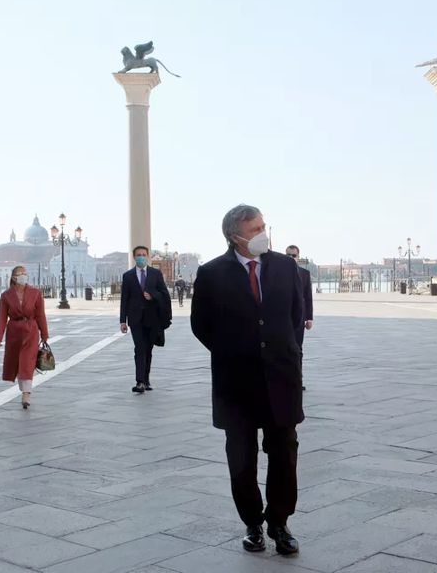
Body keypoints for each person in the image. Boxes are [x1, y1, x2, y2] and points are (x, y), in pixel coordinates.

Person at [191, 204, 304, 556]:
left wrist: (287, 352)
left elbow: (296, 316)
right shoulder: (211, 273)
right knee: (241, 459)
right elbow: (201, 325)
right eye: (254, 230)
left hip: (281, 378)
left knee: (284, 454)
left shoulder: (285, 267)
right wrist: (234, 351)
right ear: (235, 236)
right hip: (236, 383)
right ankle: (252, 523)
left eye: (263, 227)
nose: (262, 235)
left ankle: (280, 522)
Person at [0, 265, 49, 409]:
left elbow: (40, 315)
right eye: (20, 274)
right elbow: (2, 317)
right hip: (14, 332)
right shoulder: (6, 296)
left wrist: (44, 333)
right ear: (14, 277)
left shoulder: (35, 293)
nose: (23, 276)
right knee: (18, 364)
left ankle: (26, 393)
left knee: (27, 362)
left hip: (31, 331)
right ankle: (24, 389)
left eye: (25, 273)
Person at [120, 245, 172, 393]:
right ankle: (140, 382)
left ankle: (146, 379)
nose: (141, 257)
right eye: (138, 255)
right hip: (135, 319)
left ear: (147, 256)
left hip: (152, 318)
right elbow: (124, 299)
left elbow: (164, 294)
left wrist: (153, 295)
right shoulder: (128, 276)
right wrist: (123, 321)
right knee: (139, 348)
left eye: (143, 254)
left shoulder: (156, 274)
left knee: (148, 349)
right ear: (134, 257)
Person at [285, 245, 313, 391]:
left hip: (299, 319)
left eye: (293, 255)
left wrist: (309, 318)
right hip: (282, 318)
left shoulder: (304, 274)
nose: (291, 258)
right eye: (288, 255)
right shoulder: (278, 273)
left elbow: (308, 297)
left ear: (298, 257)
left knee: (297, 349)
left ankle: (297, 379)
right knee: (282, 349)